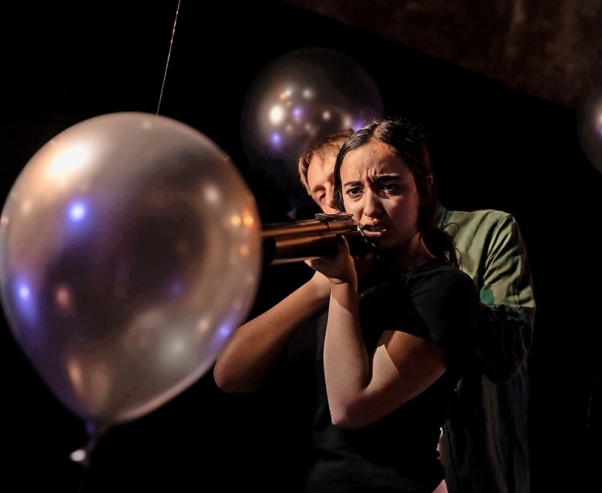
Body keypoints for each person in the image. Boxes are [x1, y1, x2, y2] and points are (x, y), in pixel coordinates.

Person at [214, 118, 480, 493]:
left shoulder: (444, 287)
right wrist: (320, 287)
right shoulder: (341, 287)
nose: (369, 208)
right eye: (352, 192)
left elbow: (351, 406)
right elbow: (229, 373)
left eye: (389, 187)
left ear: (423, 188)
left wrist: (340, 283)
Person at [295, 127, 536, 493]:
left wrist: (429, 273)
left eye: (338, 186)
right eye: (326, 193)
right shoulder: (357, 268)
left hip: (466, 458)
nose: (334, 204)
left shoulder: (487, 229)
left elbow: (506, 353)